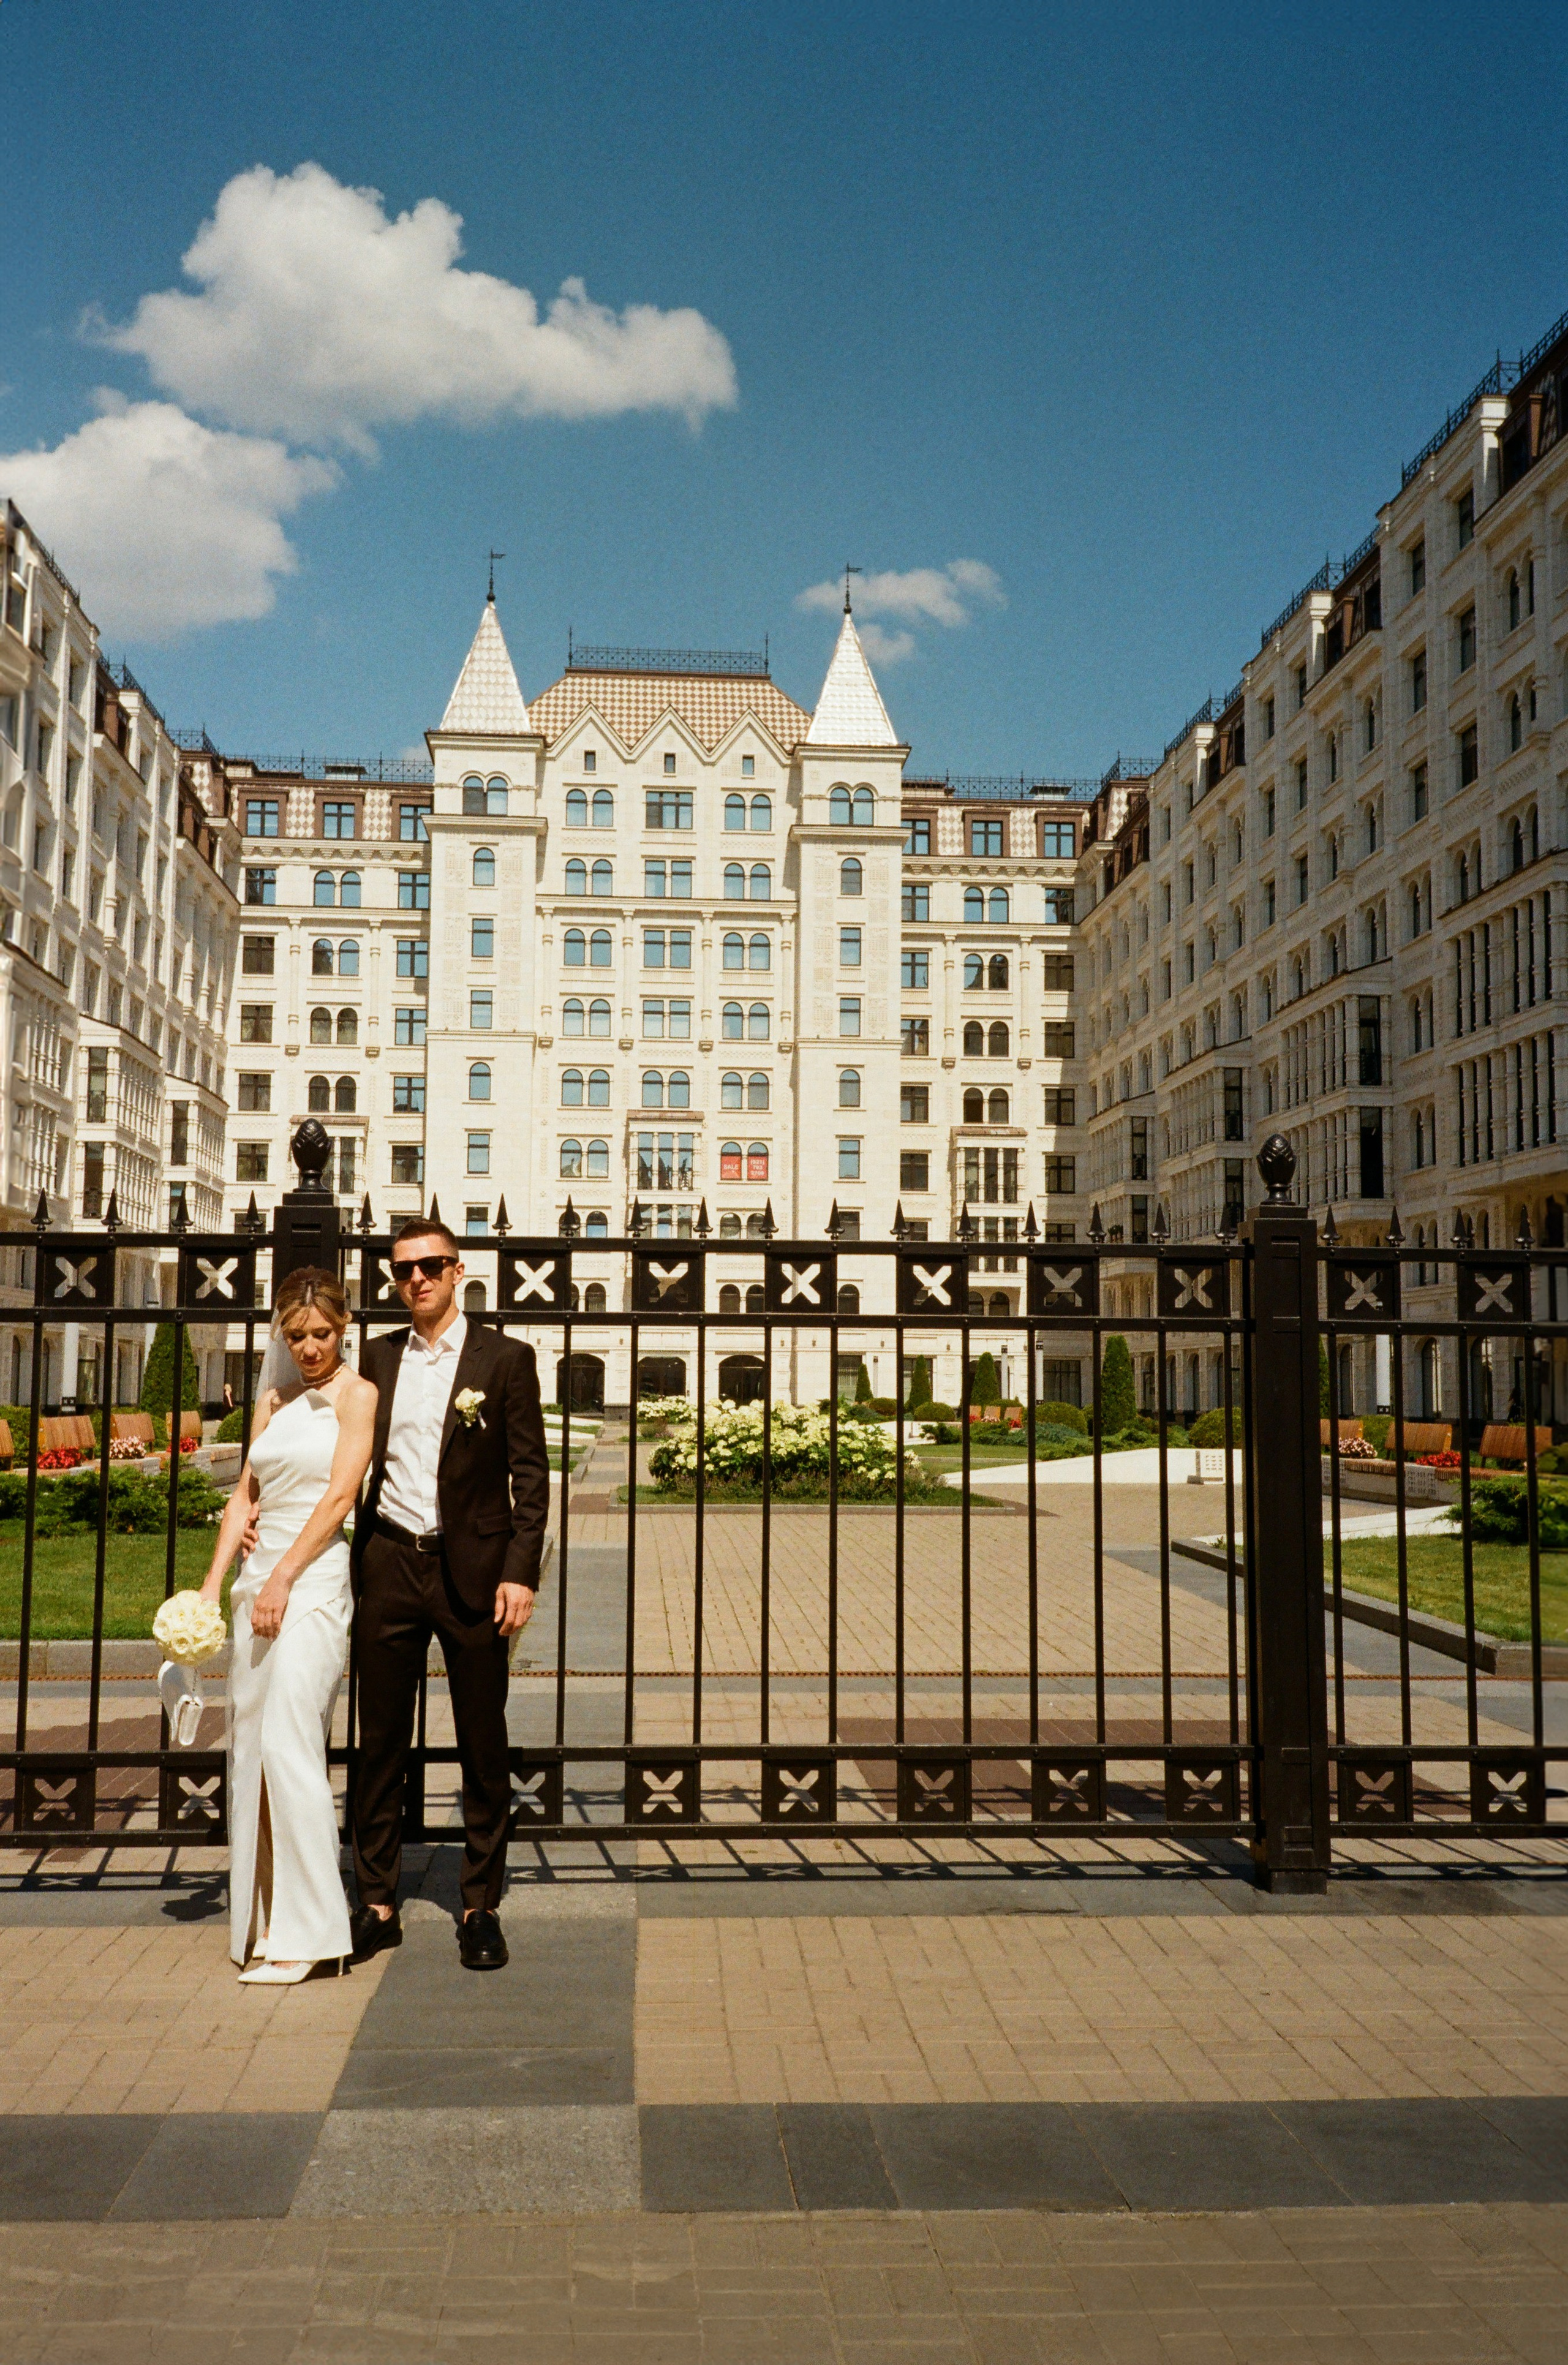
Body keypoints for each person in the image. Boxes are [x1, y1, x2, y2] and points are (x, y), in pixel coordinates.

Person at [347, 1218, 550, 1972]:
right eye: (403, 1271)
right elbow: (340, 1455)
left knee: (481, 1743)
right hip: (391, 1563)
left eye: (431, 1266)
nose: (417, 1280)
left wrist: (520, 1571)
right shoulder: (374, 1359)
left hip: (474, 1571)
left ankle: (479, 1904)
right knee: (379, 1745)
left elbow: (530, 1479)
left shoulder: (505, 1359)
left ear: (458, 1270)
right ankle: (375, 1902)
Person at [199, 1268, 376, 1985]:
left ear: (343, 1329)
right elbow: (245, 1496)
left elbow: (339, 1497)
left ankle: (314, 1933)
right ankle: (265, 1920)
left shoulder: (357, 1395)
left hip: (312, 1582)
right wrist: (212, 1589)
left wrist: (282, 1577)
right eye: (296, 1336)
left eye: (322, 1335)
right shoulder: (270, 1401)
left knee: (290, 1742)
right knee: (250, 1748)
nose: (308, 1349)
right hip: (254, 1586)